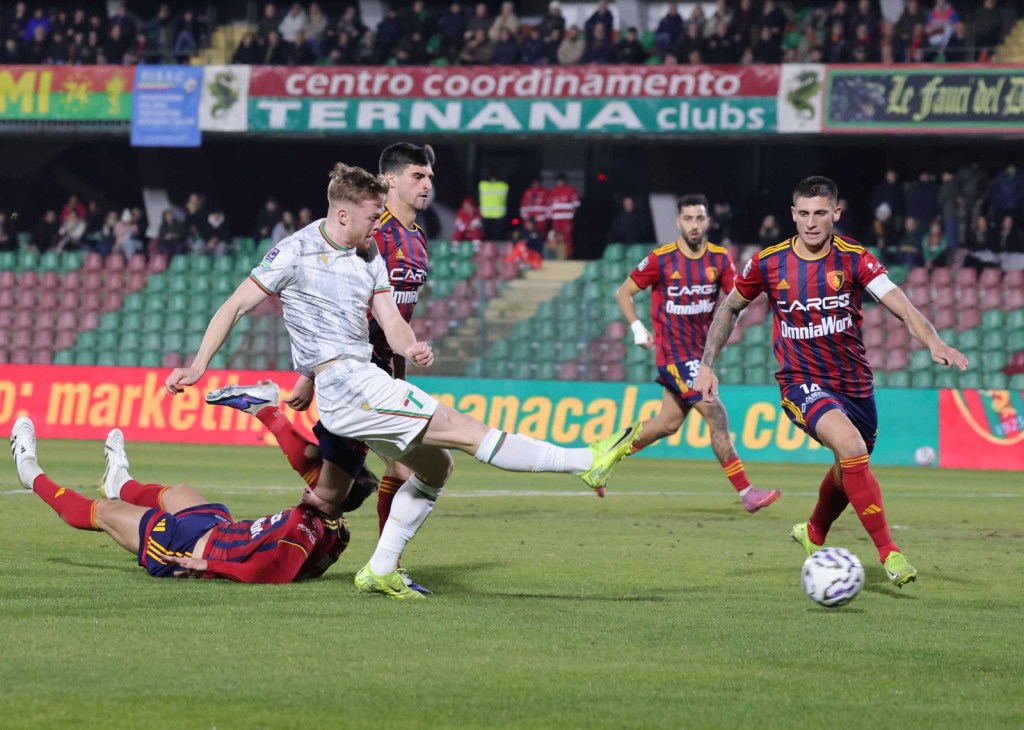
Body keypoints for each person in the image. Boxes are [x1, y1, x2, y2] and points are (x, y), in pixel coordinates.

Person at [165, 162, 641, 600]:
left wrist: (410, 345)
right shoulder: (294, 252)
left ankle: (381, 568)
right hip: (346, 385)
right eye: (374, 216)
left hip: (364, 378)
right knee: (462, 430)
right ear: (344, 213)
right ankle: (585, 461)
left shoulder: (368, 253)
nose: (379, 226)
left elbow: (390, 319)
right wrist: (199, 364)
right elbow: (234, 306)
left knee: (437, 468)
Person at [693, 176, 968, 587]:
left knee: (850, 464)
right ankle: (890, 552)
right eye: (803, 213)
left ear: (835, 213)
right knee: (851, 447)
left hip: (855, 385)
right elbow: (730, 308)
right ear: (793, 214)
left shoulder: (855, 259)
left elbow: (902, 306)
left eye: (820, 213)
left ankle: (814, 531)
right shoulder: (768, 263)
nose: (811, 222)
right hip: (800, 381)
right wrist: (707, 364)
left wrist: (933, 340)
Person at [8, 417, 378, 584]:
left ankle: (30, 471)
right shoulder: (337, 529)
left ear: (338, 493)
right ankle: (119, 480)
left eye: (317, 483)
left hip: (184, 545)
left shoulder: (301, 530)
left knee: (103, 512)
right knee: (177, 491)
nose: (308, 484)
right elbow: (308, 567)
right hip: (221, 529)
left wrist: (207, 566)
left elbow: (275, 573)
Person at [615, 195, 781, 514]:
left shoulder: (719, 260)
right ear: (678, 222)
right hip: (674, 355)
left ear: (708, 222)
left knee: (666, 424)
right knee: (716, 414)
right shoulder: (661, 259)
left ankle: (602, 459)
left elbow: (737, 298)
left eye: (699, 219)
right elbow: (624, 292)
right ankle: (747, 492)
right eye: (688, 219)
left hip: (699, 355)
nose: (694, 225)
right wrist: (637, 328)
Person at [549, 173, 580, 258]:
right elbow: (550, 204)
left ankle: (568, 255)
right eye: (558, 181)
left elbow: (576, 204)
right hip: (556, 218)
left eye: (561, 181)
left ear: (565, 181)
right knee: (556, 237)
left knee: (567, 237)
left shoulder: (570, 190)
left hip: (566, 218)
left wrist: (570, 211)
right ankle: (557, 255)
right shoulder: (554, 190)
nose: (560, 183)